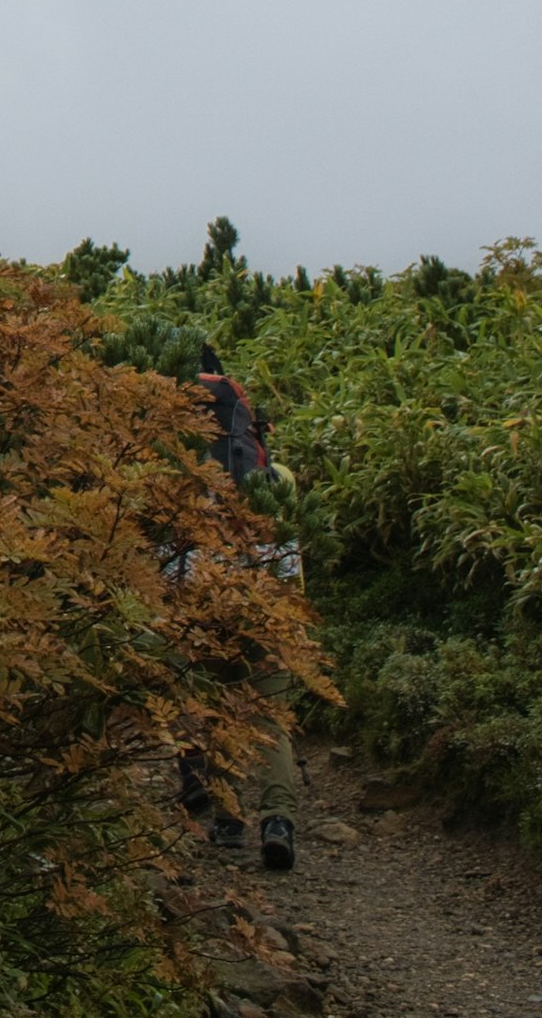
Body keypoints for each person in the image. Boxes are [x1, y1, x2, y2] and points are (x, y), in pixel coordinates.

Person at [184, 344, 304, 872]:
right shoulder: (278, 476)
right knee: (270, 717)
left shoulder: (190, 477)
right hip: (270, 608)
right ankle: (276, 820)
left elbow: (176, 557)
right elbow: (292, 553)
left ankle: (229, 820)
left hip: (209, 603)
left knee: (220, 711)